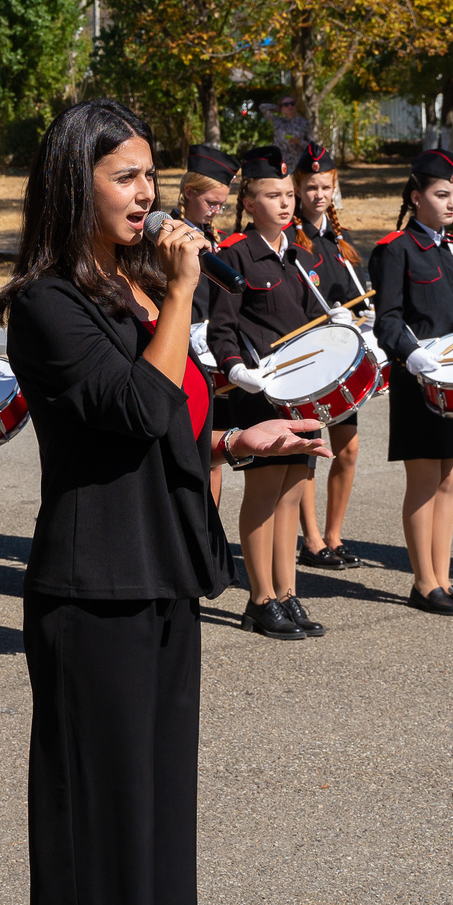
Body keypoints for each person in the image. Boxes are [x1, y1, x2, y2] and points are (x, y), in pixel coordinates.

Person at [0, 99, 323, 905]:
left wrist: (234, 437)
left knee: (159, 796)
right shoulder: (48, 303)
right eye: (127, 177)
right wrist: (181, 290)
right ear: (75, 185)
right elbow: (132, 409)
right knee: (102, 803)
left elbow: (171, 420)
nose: (150, 193)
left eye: (150, 174)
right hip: (91, 583)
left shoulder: (132, 289)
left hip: (164, 564)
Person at [208, 148, 335, 641]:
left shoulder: (300, 256)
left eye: (288, 195)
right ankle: (260, 598)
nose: (285, 204)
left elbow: (310, 326)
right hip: (259, 394)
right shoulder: (233, 256)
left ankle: (286, 591)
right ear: (248, 201)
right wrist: (236, 369)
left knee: (291, 494)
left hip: (301, 395)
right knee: (263, 495)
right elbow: (221, 329)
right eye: (272, 195)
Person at [370, 148, 453, 615]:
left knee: (450, 480)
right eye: (441, 194)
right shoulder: (396, 250)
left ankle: (443, 577)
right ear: (415, 196)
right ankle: (423, 583)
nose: (450, 203)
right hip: (419, 380)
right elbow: (388, 321)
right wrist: (412, 353)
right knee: (424, 481)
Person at [289, 143, 378, 571]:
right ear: (298, 188)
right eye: (311, 186)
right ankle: (311, 539)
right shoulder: (290, 238)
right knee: (310, 448)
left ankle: (334, 534)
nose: (318, 194)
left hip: (342, 360)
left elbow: (356, 296)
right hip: (308, 358)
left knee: (348, 449)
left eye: (325, 186)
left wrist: (365, 315)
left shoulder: (339, 239)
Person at [178, 145, 241, 514]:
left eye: (221, 205)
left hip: (212, 353)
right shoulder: (166, 234)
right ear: (189, 193)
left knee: (214, 454)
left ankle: (208, 532)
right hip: (181, 346)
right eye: (211, 203)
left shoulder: (214, 237)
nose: (216, 211)